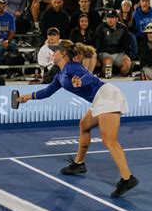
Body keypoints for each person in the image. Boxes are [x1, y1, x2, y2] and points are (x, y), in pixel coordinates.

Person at [17, 40, 139, 198]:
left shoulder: (72, 66)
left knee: (109, 140)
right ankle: (79, 164)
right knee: (85, 125)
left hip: (108, 95)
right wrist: (25, 97)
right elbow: (46, 92)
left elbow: (87, 76)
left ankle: (127, 178)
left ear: (63, 54)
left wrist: (80, 81)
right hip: (99, 99)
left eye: (55, 51)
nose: (52, 53)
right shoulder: (60, 75)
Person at [95, 9, 132, 78]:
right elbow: (97, 44)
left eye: (112, 17)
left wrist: (128, 56)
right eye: (108, 17)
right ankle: (106, 78)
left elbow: (126, 44)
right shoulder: (101, 28)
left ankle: (120, 79)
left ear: (116, 19)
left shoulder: (123, 28)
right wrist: (97, 58)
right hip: (105, 53)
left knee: (127, 63)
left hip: (119, 53)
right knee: (108, 62)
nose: (110, 19)